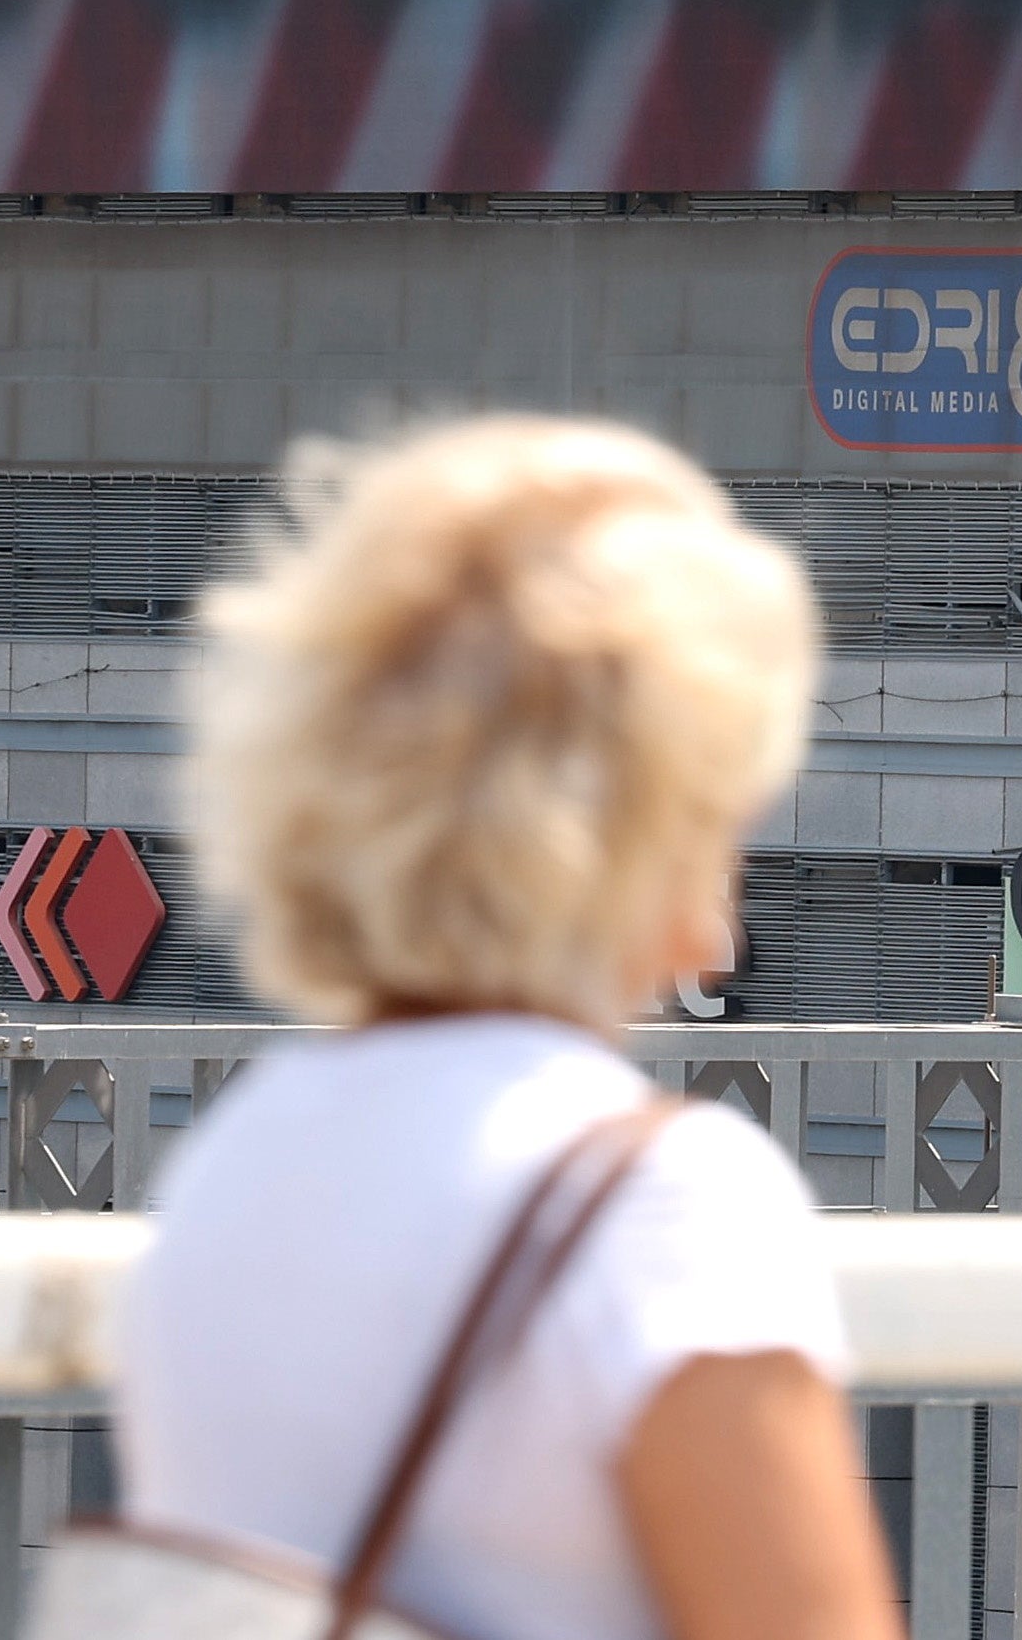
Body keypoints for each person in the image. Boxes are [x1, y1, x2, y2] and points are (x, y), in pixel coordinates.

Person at [112, 416, 903, 1640]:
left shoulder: (228, 1167)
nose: (725, 919)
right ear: (627, 823)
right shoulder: (663, 1204)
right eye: (720, 812)